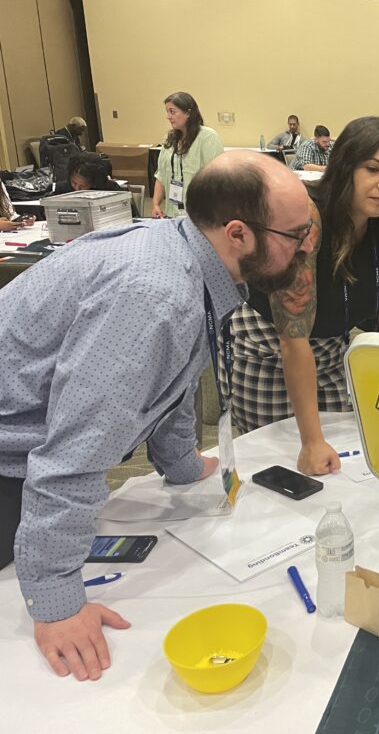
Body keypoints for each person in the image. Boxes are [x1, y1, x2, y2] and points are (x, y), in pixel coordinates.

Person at [0, 150, 314, 681]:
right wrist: (56, 603)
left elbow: (171, 376)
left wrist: (181, 463)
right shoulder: (155, 295)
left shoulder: (183, 253)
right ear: (238, 233)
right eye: (296, 233)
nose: (306, 247)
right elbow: (74, 455)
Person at [228, 116, 379, 476]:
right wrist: (311, 441)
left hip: (332, 351)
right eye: (373, 169)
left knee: (343, 465)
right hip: (271, 350)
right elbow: (292, 339)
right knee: (285, 465)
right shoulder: (306, 218)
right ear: (346, 166)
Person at [152, 91, 224, 218]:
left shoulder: (207, 137)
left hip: (199, 215)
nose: (168, 116)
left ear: (188, 113)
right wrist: (155, 204)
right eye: (167, 112)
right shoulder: (169, 139)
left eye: (172, 111)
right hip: (171, 214)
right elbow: (161, 176)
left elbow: (216, 178)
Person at [53, 151, 140, 216]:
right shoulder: (62, 190)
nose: (76, 188)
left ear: (94, 182)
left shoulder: (111, 190)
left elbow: (130, 214)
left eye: (82, 186)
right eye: (74, 182)